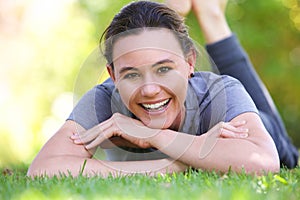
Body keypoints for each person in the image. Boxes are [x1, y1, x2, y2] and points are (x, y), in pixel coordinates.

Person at [27, 0, 298, 177]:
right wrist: (167, 165)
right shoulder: (104, 98)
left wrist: (152, 136)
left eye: (164, 69)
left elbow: (262, 161)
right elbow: (43, 169)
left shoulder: (218, 92)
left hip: (261, 129)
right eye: (131, 74)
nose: (149, 90)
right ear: (112, 75)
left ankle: (211, 15)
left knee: (282, 143)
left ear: (190, 62)